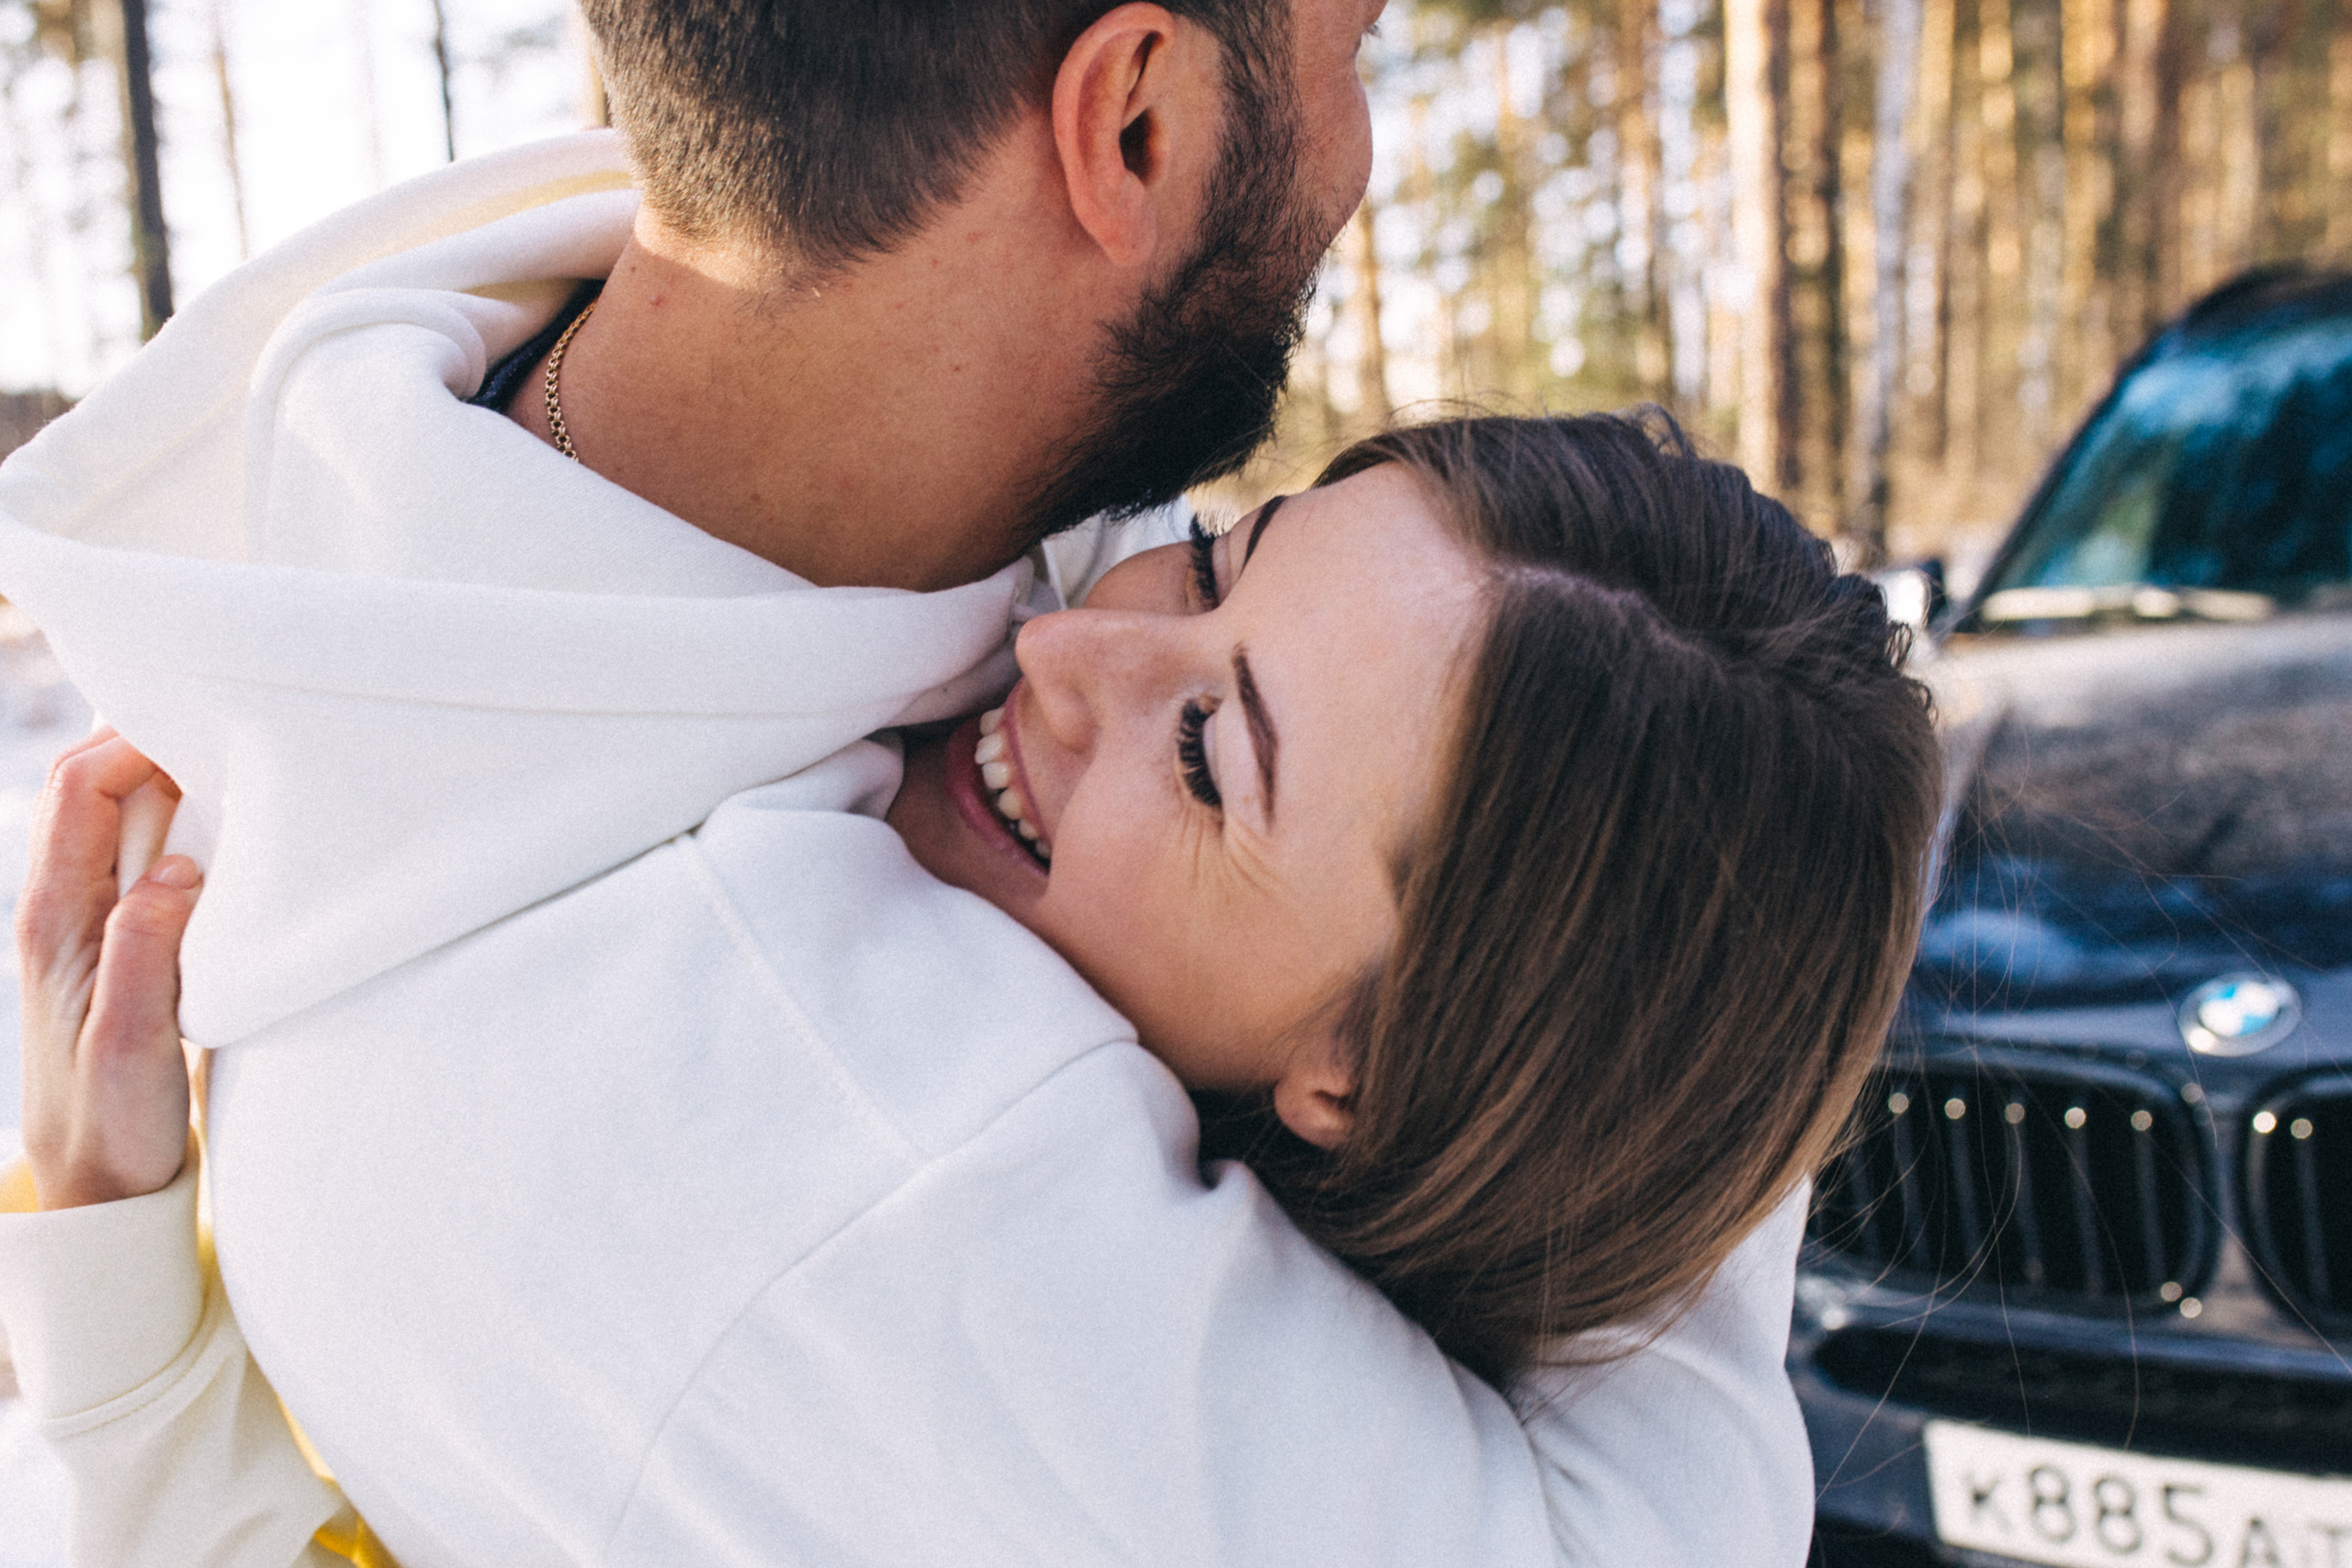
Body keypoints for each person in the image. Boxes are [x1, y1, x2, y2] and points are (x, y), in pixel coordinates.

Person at [0, 0, 1908, 1558]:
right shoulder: (846, 1154)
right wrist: (1714, 945)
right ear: (1134, 118)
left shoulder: (437, 463)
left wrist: (131, 1380)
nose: (1068, 652)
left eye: (1225, 556)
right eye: (1357, 39)